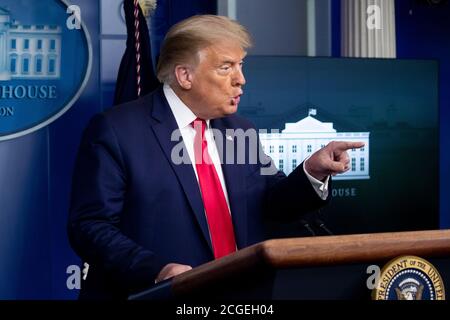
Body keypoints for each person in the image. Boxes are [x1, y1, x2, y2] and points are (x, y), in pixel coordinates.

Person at [68, 15, 364, 299]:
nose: (241, 80)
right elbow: (90, 226)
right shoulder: (117, 130)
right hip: (159, 295)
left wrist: (312, 171)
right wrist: (157, 270)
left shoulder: (240, 129)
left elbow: (273, 203)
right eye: (226, 67)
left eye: (241, 65)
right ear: (185, 75)